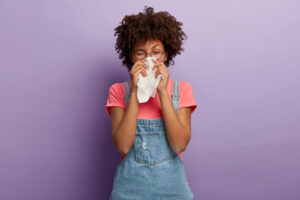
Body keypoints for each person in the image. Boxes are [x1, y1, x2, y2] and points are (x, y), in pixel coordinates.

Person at [105, 6, 197, 199]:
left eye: (156, 52)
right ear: (131, 56)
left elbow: (180, 144)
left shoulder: (182, 90)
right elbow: (122, 145)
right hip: (129, 192)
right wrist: (136, 91)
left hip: (173, 191)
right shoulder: (119, 91)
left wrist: (162, 91)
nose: (149, 59)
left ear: (165, 55)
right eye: (141, 53)